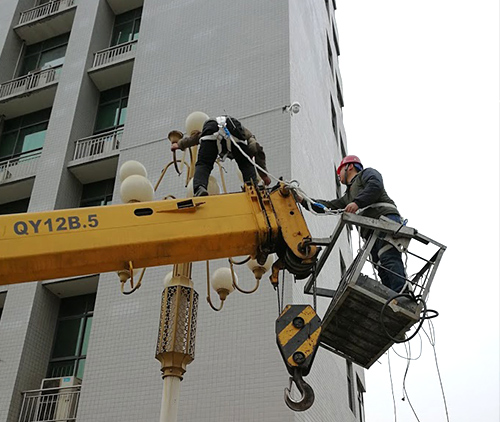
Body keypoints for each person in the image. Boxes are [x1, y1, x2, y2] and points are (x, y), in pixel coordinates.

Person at [298, 155, 407, 293]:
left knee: (387, 256)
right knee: (382, 268)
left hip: (384, 219)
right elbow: (328, 206)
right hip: (372, 231)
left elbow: (375, 185)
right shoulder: (348, 197)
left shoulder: (366, 174)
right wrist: (302, 200)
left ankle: (402, 294)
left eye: (339, 171)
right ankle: (392, 297)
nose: (338, 176)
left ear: (349, 167)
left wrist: (357, 203)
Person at [171, 115, 271, 196]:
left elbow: (196, 138)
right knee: (246, 164)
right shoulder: (247, 134)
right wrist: (264, 175)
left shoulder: (209, 128)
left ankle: (200, 188)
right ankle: (252, 187)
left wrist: (179, 144)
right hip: (235, 133)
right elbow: (256, 148)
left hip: (211, 133)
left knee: (204, 164)